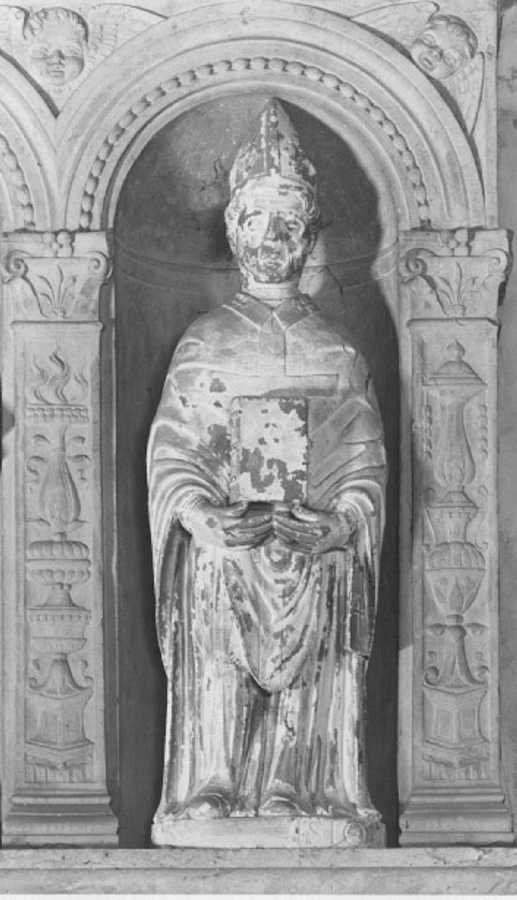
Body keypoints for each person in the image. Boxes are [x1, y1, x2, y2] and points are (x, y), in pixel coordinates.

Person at [147, 99, 387, 838]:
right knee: (216, 589)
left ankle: (296, 781)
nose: (272, 237)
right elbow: (174, 447)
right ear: (235, 231)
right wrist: (198, 513)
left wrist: (340, 522)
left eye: (287, 223)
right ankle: (213, 780)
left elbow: (364, 459)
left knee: (320, 589)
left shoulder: (335, 349)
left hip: (310, 549)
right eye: (257, 221)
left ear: (308, 235)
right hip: (229, 547)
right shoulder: (205, 340)